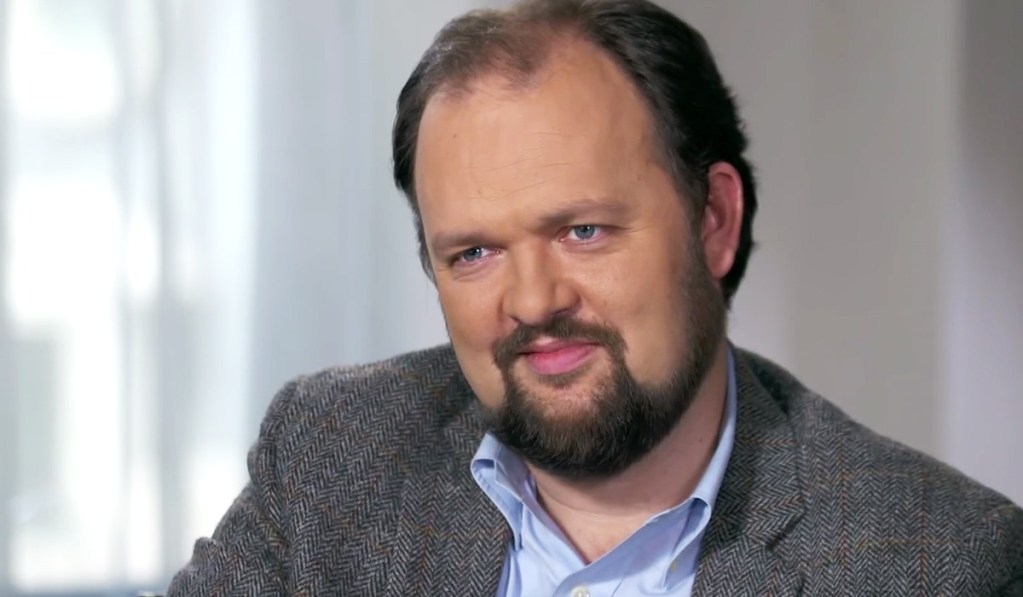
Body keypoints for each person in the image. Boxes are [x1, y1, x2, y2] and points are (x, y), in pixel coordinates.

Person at [168, 0, 1023, 595]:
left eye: (582, 230)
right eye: (473, 252)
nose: (532, 301)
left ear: (714, 221)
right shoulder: (332, 454)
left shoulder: (940, 563)